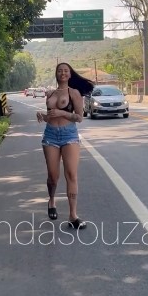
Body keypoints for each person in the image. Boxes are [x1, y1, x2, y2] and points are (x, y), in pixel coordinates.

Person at [36, 63, 93, 228]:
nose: (63, 73)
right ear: (56, 74)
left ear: (70, 75)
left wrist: (62, 113)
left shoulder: (74, 93)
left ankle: (73, 216)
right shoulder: (51, 93)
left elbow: (79, 118)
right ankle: (52, 201)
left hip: (69, 135)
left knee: (71, 175)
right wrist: (42, 115)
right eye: (60, 70)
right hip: (50, 135)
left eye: (66, 71)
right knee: (53, 177)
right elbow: (50, 116)